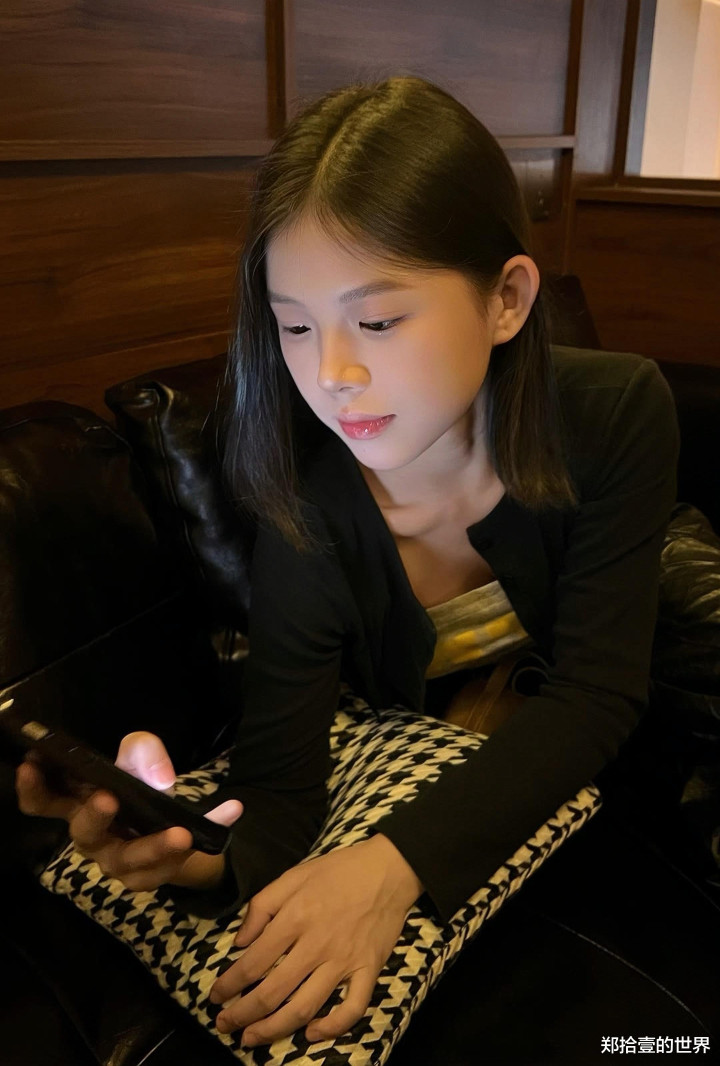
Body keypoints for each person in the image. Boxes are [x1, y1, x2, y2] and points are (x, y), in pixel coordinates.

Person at [15, 74, 679, 1050]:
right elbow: (282, 781)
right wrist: (190, 852)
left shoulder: (616, 411)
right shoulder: (303, 486)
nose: (331, 374)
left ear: (506, 299)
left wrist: (391, 863)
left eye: (376, 321)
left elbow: (599, 690)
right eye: (294, 325)